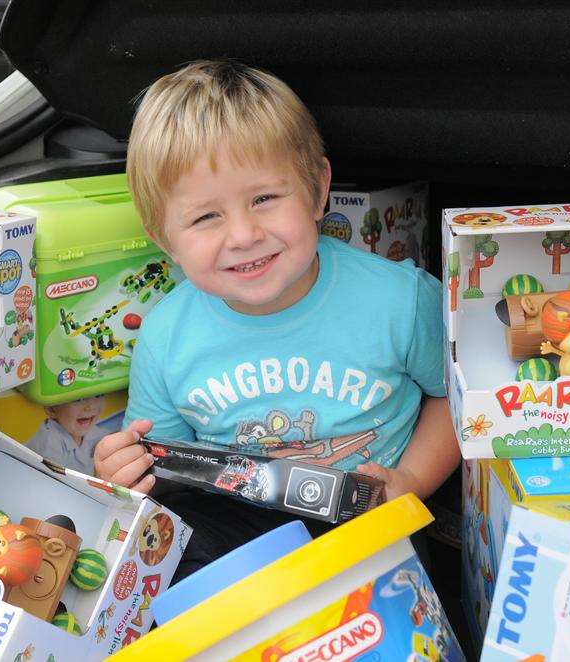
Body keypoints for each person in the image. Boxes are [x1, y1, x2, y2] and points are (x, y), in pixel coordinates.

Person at [95, 60, 460, 579]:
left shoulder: (400, 299)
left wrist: (412, 481)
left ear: (317, 190)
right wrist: (122, 473)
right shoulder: (165, 336)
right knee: (162, 555)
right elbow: (164, 463)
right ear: (163, 238)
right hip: (236, 524)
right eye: (205, 217)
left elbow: (457, 396)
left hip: (365, 516)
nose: (243, 234)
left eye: (264, 199)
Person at [26, 395, 113, 475]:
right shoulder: (49, 443)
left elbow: (107, 437)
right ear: (52, 409)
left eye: (98, 395)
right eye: (79, 399)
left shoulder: (91, 431)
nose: (90, 407)